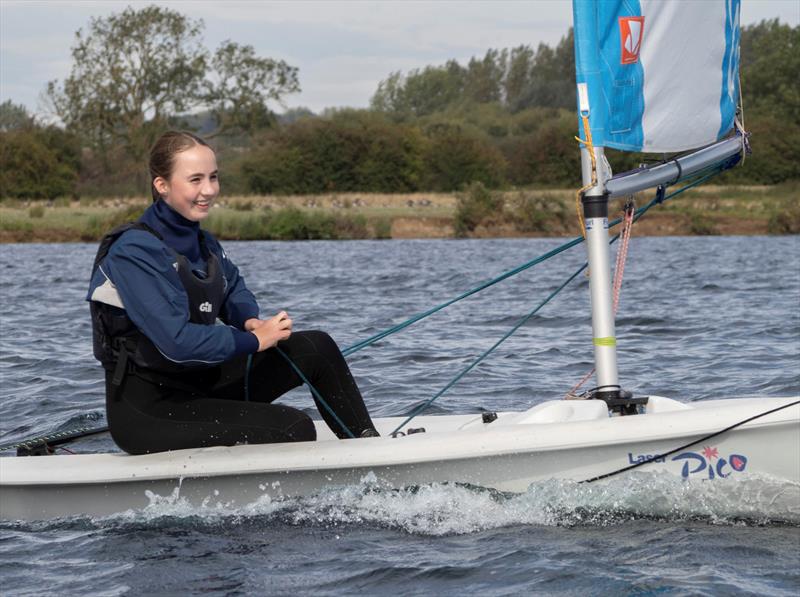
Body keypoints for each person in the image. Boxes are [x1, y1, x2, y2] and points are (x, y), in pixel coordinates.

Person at [87, 130, 379, 455]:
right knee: (295, 428)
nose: (209, 190)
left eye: (213, 177)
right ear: (162, 185)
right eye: (195, 179)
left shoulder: (204, 242)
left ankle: (369, 452)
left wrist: (249, 321)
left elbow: (232, 289)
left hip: (201, 384)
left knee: (316, 347)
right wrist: (254, 341)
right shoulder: (133, 252)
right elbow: (176, 342)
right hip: (150, 411)